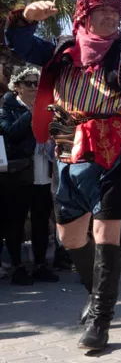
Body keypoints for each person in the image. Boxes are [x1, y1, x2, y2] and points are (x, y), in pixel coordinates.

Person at [4, 0, 121, 351]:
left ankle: (101, 320)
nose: (110, 18)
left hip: (115, 152)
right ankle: (98, 296)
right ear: (84, 14)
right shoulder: (61, 50)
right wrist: (24, 17)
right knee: (70, 237)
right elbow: (21, 44)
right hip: (68, 150)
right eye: (101, 11)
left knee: (106, 233)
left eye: (115, 12)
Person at [0, 66, 59, 284]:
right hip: (21, 172)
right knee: (16, 221)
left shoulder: (45, 107)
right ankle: (17, 266)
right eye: (29, 83)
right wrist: (30, 113)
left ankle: (40, 264)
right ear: (17, 86)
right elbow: (10, 133)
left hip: (43, 169)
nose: (34, 87)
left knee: (41, 220)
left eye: (37, 83)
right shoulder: (8, 107)